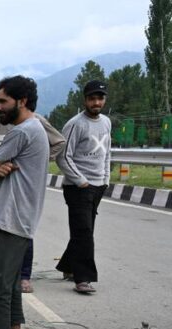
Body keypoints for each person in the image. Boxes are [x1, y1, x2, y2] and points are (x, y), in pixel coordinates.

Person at [0, 76, 50, 329]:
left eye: (2, 101)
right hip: (20, 222)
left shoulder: (21, 132)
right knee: (8, 289)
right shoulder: (36, 127)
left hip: (6, 221)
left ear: (22, 101)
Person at [0, 111, 66, 293]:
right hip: (1, 182)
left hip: (23, 186)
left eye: (3, 102)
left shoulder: (35, 123)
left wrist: (36, 160)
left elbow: (59, 142)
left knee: (22, 231)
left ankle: (24, 276)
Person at [56, 80, 111, 294]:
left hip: (98, 185)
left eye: (100, 98)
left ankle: (68, 266)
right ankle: (83, 278)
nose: (96, 102)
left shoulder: (106, 122)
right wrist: (80, 180)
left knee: (84, 231)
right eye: (92, 98)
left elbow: (106, 152)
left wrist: (106, 178)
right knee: (84, 232)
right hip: (78, 187)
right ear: (85, 100)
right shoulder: (75, 124)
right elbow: (63, 156)